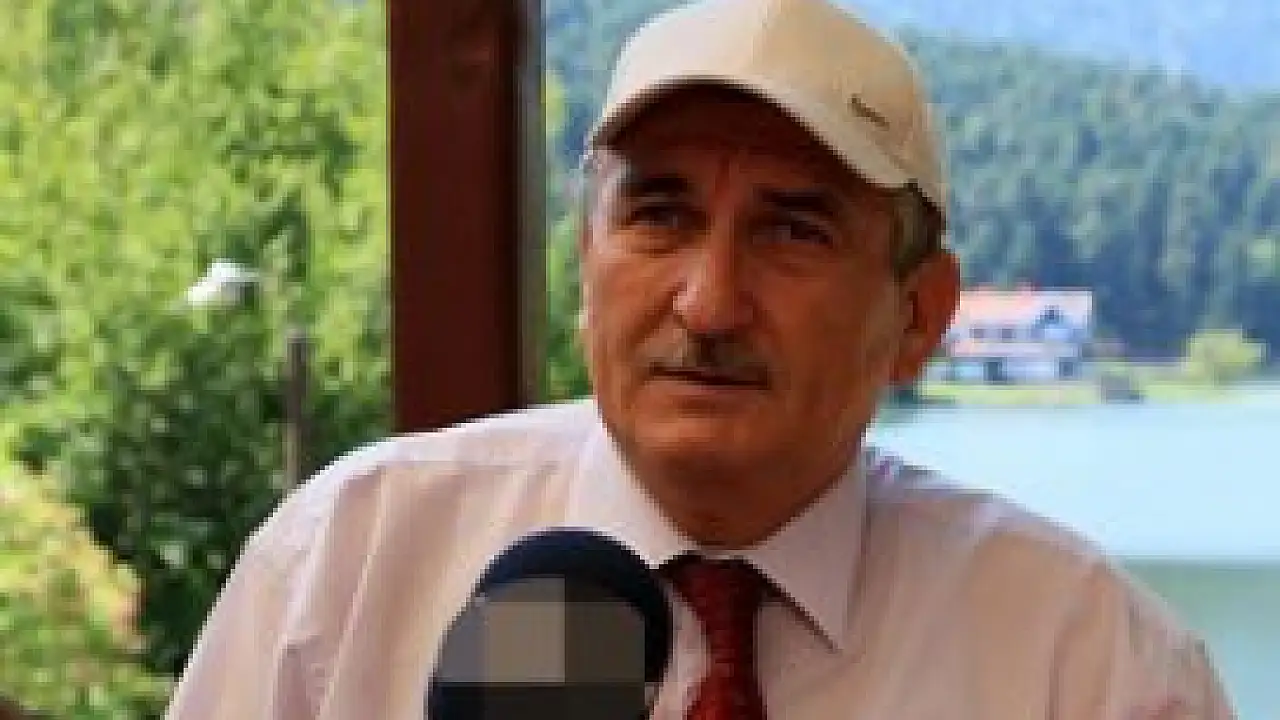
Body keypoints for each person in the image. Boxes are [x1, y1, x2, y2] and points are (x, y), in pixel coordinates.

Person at [166, 0, 1235, 717]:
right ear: (586, 265)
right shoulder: (347, 569)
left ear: (918, 316)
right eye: (660, 216)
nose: (709, 302)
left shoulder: (1088, 667)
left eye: (793, 231)